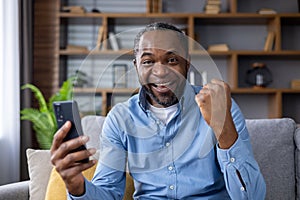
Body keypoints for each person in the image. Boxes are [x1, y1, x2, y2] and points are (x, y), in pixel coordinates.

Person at [50, 22, 266, 199]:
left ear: (187, 65)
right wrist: (77, 187)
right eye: (148, 61)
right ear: (136, 66)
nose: (160, 72)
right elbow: (108, 193)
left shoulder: (220, 105)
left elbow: (253, 197)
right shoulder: (121, 118)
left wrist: (222, 126)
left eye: (172, 60)